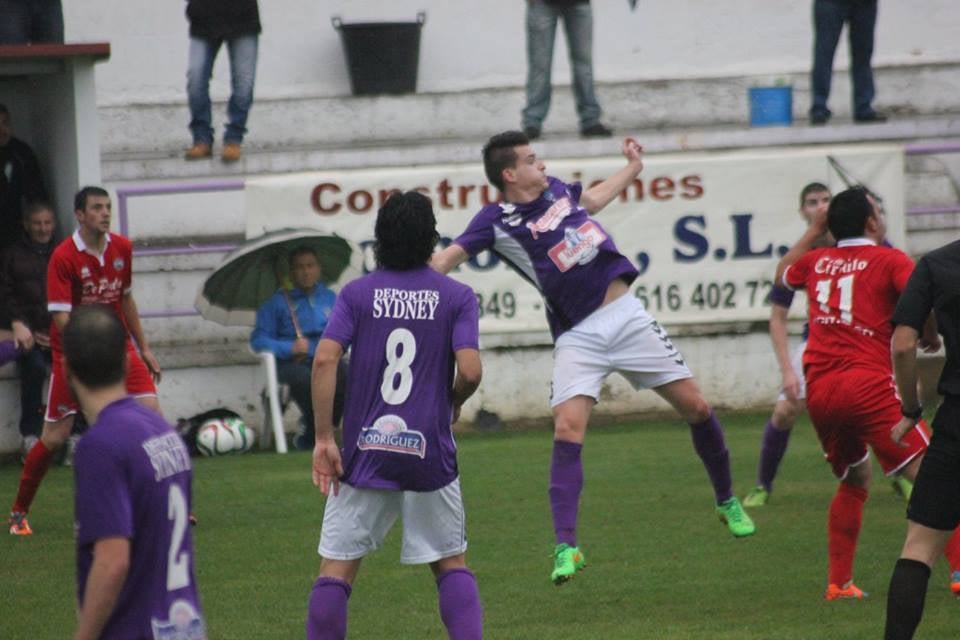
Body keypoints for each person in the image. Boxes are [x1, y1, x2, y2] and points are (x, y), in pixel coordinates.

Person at [432, 131, 755, 586]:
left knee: (698, 407)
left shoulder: (559, 190)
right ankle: (567, 546)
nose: (541, 165)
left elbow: (596, 199)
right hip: (578, 336)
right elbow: (447, 260)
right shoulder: (496, 219)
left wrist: (634, 168)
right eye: (531, 160)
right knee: (567, 428)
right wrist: (402, 279)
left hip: (627, 318)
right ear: (510, 174)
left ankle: (726, 500)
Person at [307, 191, 483, 640]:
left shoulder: (356, 294)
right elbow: (470, 370)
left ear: (380, 238)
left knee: (336, 570)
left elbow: (325, 360)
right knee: (449, 562)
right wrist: (454, 399)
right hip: (429, 451)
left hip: (364, 451)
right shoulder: (457, 295)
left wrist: (324, 437)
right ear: (431, 238)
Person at [777, 186, 960, 600]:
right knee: (938, 474)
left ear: (829, 225)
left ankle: (838, 583)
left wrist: (814, 231)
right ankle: (959, 570)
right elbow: (922, 301)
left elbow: (782, 274)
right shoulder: (889, 259)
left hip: (821, 389)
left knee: (856, 478)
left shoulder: (816, 260)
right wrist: (930, 335)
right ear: (873, 222)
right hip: (868, 385)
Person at [8, 186, 162, 536]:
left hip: (118, 347)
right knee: (55, 436)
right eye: (97, 208)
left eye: (107, 207)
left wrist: (145, 347)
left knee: (152, 417)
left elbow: (125, 300)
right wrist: (88, 350)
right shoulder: (63, 257)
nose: (105, 213)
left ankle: (166, 505)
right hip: (76, 355)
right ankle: (19, 512)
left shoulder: (122, 248)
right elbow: (62, 320)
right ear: (79, 214)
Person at [64, 306, 205, 640]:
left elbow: (113, 560)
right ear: (127, 362)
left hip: (134, 628)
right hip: (183, 627)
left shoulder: (100, 446)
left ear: (67, 369)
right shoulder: (163, 432)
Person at [884, 239, 960, 639]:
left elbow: (902, 345)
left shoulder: (937, 263)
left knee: (920, 548)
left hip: (956, 422)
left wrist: (911, 409)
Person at [250, 246, 347, 450]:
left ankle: (319, 428)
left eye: (310, 266)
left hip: (325, 358)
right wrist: (289, 348)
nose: (305, 272)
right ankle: (316, 430)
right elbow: (259, 340)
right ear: (291, 273)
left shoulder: (330, 298)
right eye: (299, 267)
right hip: (291, 364)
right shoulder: (275, 302)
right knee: (303, 379)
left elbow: (345, 331)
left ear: (319, 269)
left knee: (346, 375)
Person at [0, 201, 56, 458]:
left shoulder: (63, 251)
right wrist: (18, 323)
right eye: (37, 223)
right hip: (28, 334)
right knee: (33, 367)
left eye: (47, 223)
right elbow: (5, 294)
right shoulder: (11, 255)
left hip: (59, 333)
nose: (43, 229)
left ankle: (77, 432)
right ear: (25, 225)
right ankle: (30, 437)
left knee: (74, 368)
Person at [522, 0, 611, 140]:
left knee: (584, 65)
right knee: (540, 65)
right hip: (541, 4)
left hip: (579, 3)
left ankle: (590, 121)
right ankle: (532, 122)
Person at [183, 0, 260, 163]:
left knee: (244, 82)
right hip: (203, 19)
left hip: (243, 17)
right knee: (195, 80)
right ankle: (201, 138)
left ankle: (234, 138)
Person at [809, 0, 886, 125]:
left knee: (863, 55)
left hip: (865, 4)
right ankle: (819, 108)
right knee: (824, 53)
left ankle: (863, 107)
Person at [0, 103, 48, 252]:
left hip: (17, 229)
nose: (2, 130)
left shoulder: (21, 152)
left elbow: (37, 193)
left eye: (5, 123)